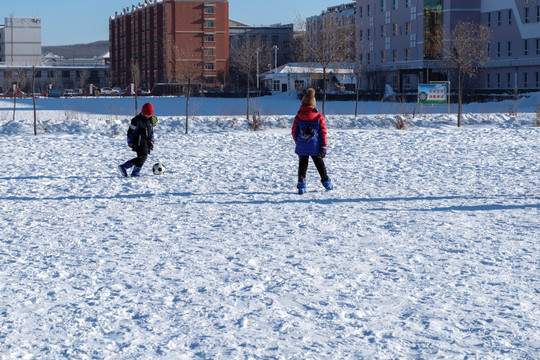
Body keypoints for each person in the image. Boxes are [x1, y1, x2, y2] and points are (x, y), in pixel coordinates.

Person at [291, 88, 333, 194]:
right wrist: (323, 146)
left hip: (302, 145)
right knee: (319, 164)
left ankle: (301, 185)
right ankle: (326, 182)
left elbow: (294, 131)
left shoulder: (298, 116)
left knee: (302, 165)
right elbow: (323, 132)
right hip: (315, 146)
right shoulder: (319, 117)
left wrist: (299, 141)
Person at [118, 102, 155, 177]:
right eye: (147, 114)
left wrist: (151, 141)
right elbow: (130, 132)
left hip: (146, 142)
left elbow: (151, 132)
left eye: (150, 114)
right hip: (138, 141)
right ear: (142, 112)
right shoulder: (136, 120)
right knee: (143, 156)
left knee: (141, 158)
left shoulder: (150, 120)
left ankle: (132, 171)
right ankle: (128, 168)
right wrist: (129, 141)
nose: (148, 116)